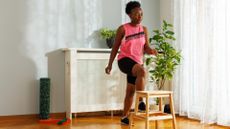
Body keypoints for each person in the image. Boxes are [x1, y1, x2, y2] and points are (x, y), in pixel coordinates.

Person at [105, 1, 157, 125]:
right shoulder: (123, 29)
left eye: (141, 14)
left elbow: (146, 47)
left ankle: (124, 117)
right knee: (142, 71)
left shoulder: (144, 29)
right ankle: (141, 102)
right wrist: (110, 64)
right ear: (129, 15)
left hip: (137, 62)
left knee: (130, 91)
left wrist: (151, 51)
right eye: (136, 14)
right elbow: (115, 47)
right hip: (124, 60)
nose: (140, 17)